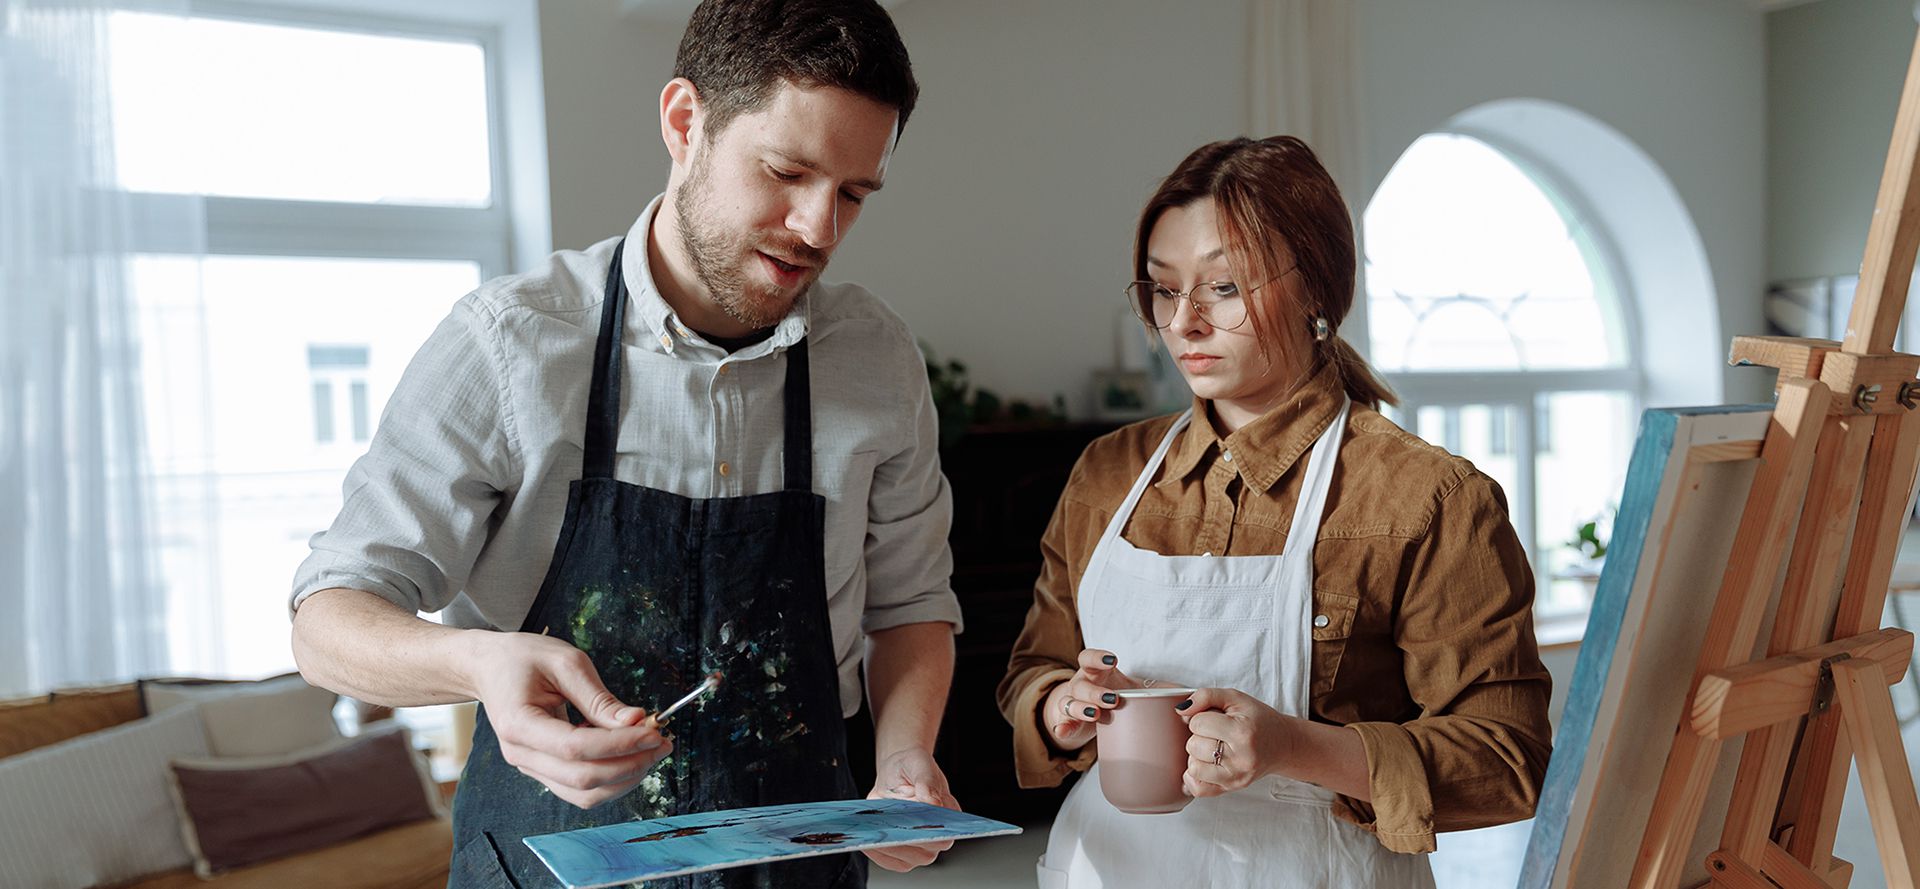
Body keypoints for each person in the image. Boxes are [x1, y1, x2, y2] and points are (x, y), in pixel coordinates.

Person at [288, 2, 963, 885]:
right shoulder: (511, 342)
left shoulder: (876, 359)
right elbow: (327, 623)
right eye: (787, 172)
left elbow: (910, 602)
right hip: (540, 860)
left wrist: (907, 756)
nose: (818, 228)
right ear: (686, 123)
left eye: (853, 193)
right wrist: (480, 662)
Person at [998, 136, 1553, 888]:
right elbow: (1035, 666)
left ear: (1317, 290)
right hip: (1102, 866)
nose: (1185, 321)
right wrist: (1057, 703)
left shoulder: (1429, 498)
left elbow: (1506, 756)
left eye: (1223, 287)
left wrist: (1294, 746)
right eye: (1164, 290)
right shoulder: (1108, 472)